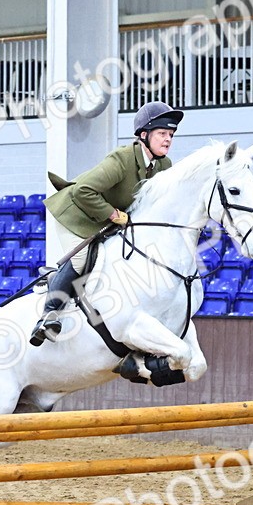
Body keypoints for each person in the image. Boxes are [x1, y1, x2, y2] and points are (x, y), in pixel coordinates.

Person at [30, 100, 185, 346]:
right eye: (162, 133)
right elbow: (83, 191)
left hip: (109, 217)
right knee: (84, 258)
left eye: (171, 134)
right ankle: (49, 314)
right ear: (144, 135)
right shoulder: (121, 159)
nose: (168, 139)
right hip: (77, 212)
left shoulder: (164, 165)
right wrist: (114, 215)